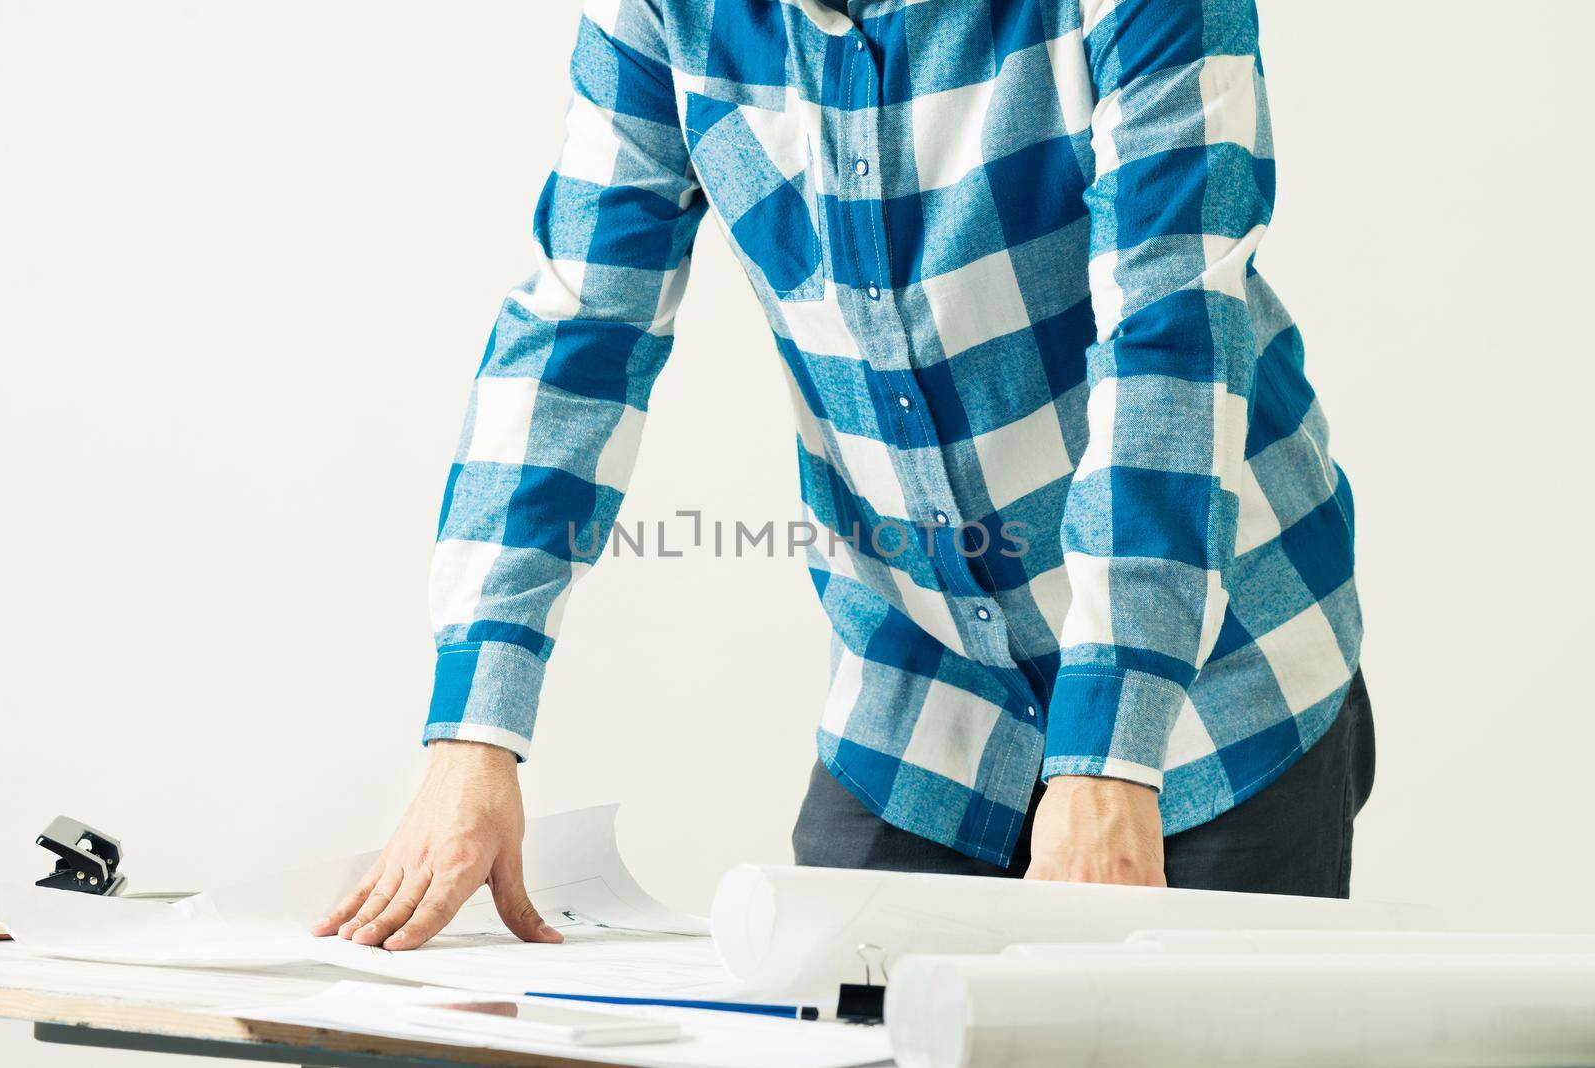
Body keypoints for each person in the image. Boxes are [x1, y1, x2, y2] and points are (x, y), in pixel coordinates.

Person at [312, 0, 1372, 952]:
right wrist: (473, 732)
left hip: (1211, 696)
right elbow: (573, 333)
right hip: (919, 693)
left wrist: (1109, 756)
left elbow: (1168, 349)